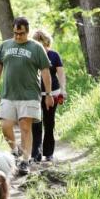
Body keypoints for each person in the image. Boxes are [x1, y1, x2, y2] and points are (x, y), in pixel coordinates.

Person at [0, 17, 54, 175]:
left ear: (27, 31)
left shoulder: (36, 47)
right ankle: (14, 151)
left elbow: (45, 71)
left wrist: (48, 94)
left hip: (30, 94)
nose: (18, 36)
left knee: (26, 126)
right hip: (8, 94)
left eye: (21, 33)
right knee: (5, 126)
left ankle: (25, 161)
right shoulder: (5, 46)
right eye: (15, 33)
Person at [31, 29, 67, 162]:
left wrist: (63, 90)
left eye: (43, 42)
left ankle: (49, 152)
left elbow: (61, 74)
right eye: (38, 42)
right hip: (35, 94)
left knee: (49, 122)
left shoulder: (54, 55)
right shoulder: (32, 56)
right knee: (36, 123)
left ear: (47, 42)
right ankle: (36, 153)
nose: (42, 46)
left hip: (53, 93)